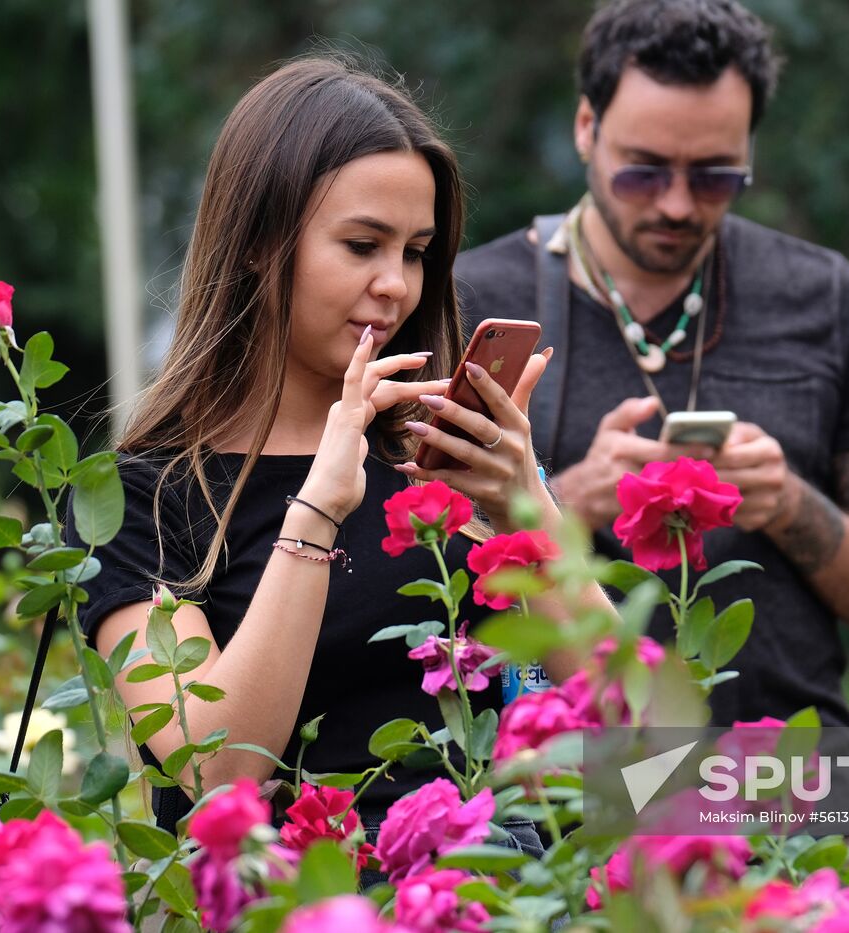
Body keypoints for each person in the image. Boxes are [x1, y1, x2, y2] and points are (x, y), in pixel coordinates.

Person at [63, 57, 604, 845]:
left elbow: (642, 729)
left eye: (416, 251)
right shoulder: (140, 495)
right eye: (362, 245)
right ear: (256, 242)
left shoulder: (438, 456)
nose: (396, 284)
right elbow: (219, 774)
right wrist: (315, 511)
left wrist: (528, 508)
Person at [455, 0, 849, 733]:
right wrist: (565, 503)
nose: (677, 205)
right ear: (586, 130)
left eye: (714, 175)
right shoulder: (475, 304)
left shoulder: (830, 300)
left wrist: (787, 504)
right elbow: (406, 597)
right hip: (568, 812)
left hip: (799, 802)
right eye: (643, 172)